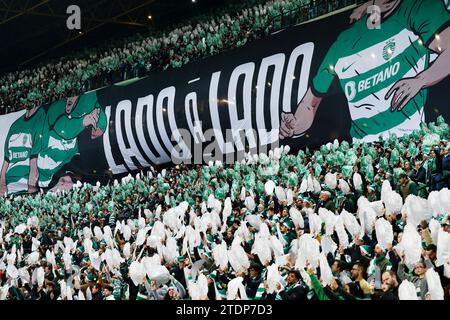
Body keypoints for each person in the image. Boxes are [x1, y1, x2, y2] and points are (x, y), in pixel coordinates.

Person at [280, 0, 450, 143]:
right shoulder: (343, 43)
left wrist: (421, 79)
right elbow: (309, 104)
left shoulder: (420, 8)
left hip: (408, 146)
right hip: (363, 153)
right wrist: (294, 125)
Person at [0, 104, 45, 195]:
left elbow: (34, 164)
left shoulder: (41, 120)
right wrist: (2, 184)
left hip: (23, 185)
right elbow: (6, 160)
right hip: (8, 184)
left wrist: (31, 187)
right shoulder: (15, 125)